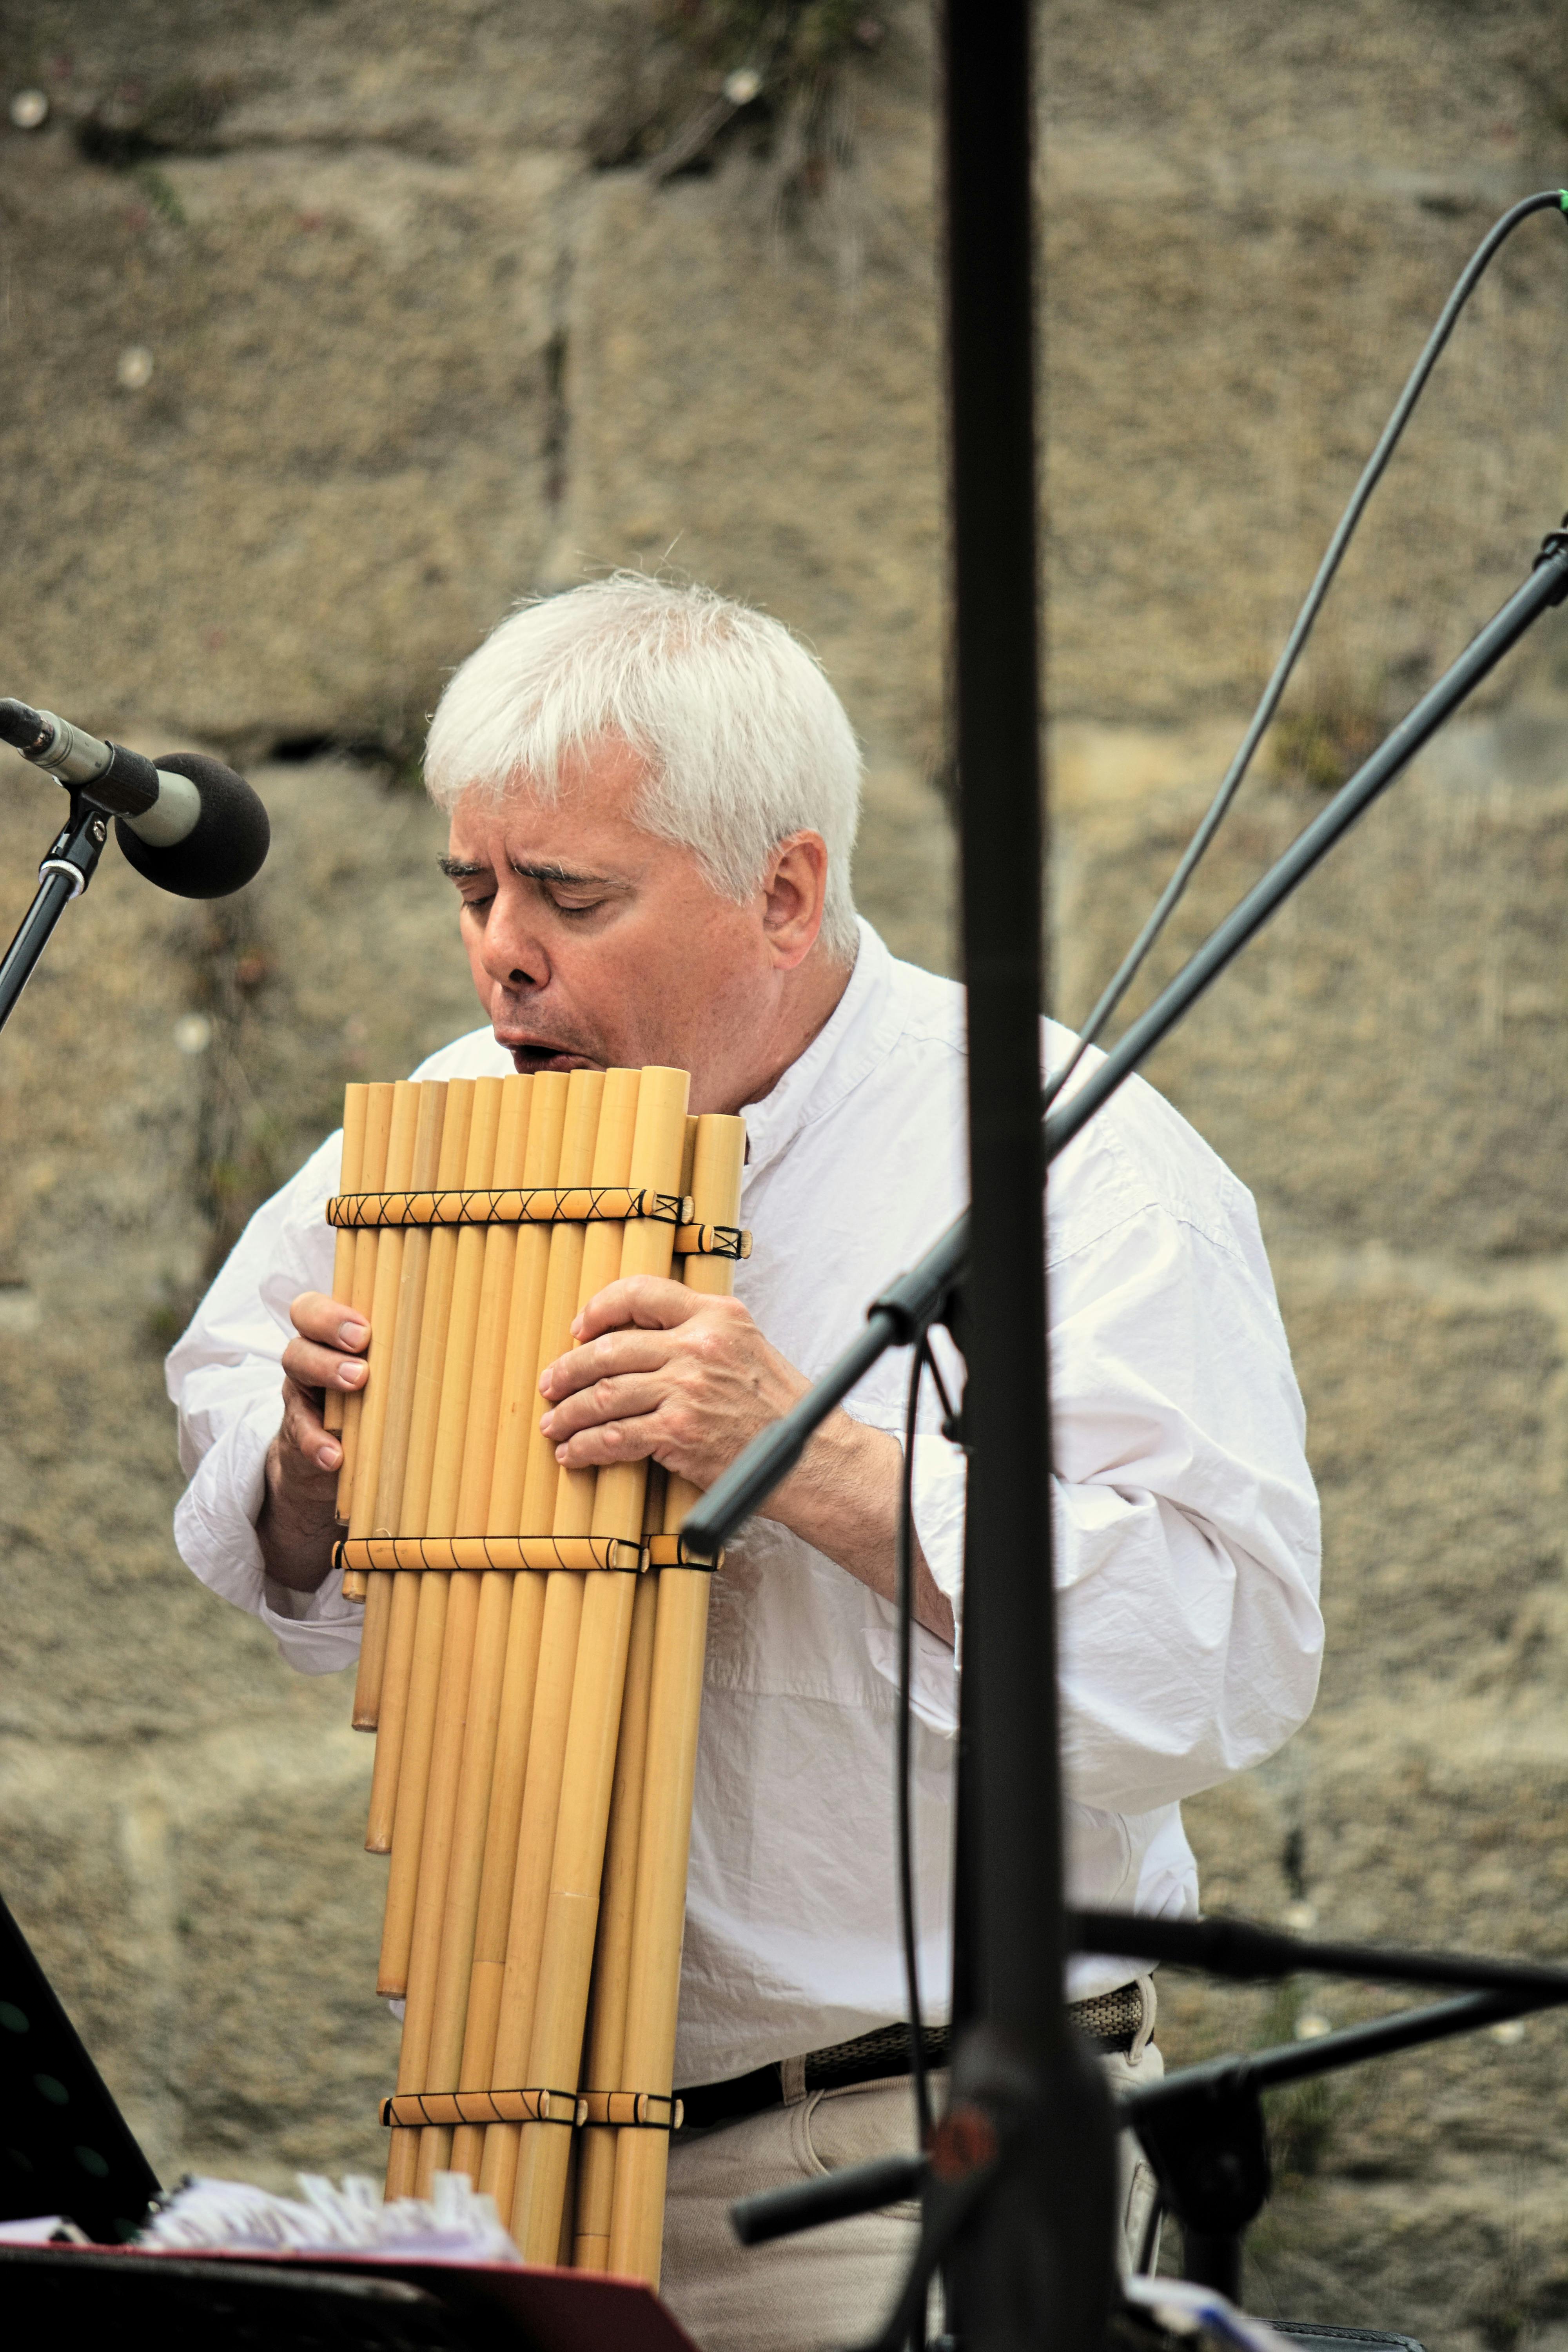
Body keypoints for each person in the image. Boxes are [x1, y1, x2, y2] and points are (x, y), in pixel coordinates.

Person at [167, 575, 1323, 2352]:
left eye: (570, 898)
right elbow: (237, 1396)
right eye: (473, 890)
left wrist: (823, 1463)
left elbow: (1222, 1655)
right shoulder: (453, 1121)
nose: (502, 956)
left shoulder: (1073, 1164)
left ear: (784, 893)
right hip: (517, 2135)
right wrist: (305, 1475)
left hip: (909, 2153)